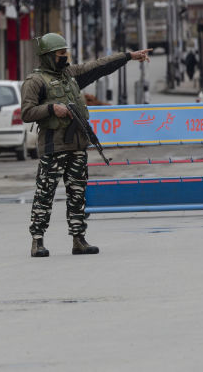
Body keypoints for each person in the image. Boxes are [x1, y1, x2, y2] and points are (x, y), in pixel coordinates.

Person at [21, 32, 151, 257]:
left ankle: (78, 239)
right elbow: (26, 112)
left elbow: (99, 66)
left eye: (65, 53)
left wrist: (129, 56)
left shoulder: (70, 75)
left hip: (77, 146)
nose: (65, 57)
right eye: (61, 54)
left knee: (78, 195)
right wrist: (52, 108)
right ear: (48, 56)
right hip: (53, 148)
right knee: (45, 195)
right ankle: (37, 240)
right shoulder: (35, 81)